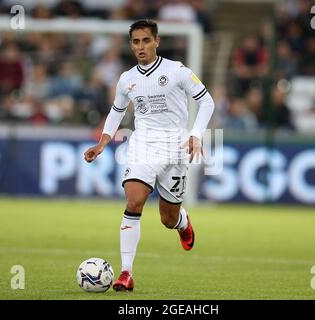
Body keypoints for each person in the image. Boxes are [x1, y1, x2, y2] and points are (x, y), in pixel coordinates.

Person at [83, 19, 215, 291]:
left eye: (145, 40)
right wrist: (102, 142)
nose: (140, 46)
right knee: (134, 202)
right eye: (135, 42)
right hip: (142, 145)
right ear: (131, 45)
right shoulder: (127, 79)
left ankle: (182, 223)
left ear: (157, 41)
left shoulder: (177, 71)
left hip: (175, 148)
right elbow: (117, 111)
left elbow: (206, 101)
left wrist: (196, 135)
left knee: (167, 218)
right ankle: (126, 273)